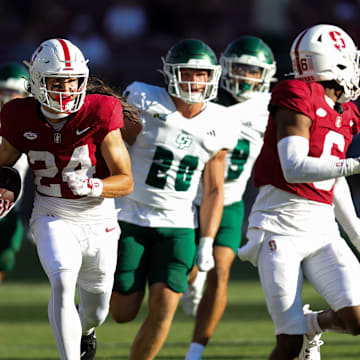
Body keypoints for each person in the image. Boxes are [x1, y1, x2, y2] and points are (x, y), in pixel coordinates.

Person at [0, 38, 136, 360]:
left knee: (96, 310)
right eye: (56, 82)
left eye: (73, 81)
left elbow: (126, 180)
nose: (66, 89)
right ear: (36, 82)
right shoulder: (19, 114)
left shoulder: (100, 110)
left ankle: (86, 332)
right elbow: (3, 163)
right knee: (62, 278)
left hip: (98, 217)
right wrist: (4, 185)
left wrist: (96, 187)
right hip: (52, 211)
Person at [238, 24, 360, 360]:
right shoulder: (296, 95)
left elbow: (332, 178)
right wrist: (354, 165)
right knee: (288, 343)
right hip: (278, 228)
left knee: (358, 319)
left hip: (322, 229)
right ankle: (298, 331)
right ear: (336, 63)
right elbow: (293, 166)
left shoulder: (346, 112)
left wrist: (356, 232)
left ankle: (312, 325)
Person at [109, 38, 236, 360]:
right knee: (122, 312)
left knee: (165, 306)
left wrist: (207, 241)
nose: (195, 81)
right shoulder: (143, 98)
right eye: (189, 73)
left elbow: (213, 190)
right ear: (171, 73)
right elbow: (112, 147)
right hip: (130, 214)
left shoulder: (221, 120)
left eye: (202, 74)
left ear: (212, 77)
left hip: (179, 222)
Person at [184, 36, 277, 359]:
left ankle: (195, 351)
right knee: (187, 270)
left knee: (222, 270)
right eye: (238, 67)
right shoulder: (204, 100)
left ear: (265, 74)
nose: (244, 76)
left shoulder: (272, 109)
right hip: (186, 199)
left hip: (230, 200)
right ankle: (191, 281)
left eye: (252, 70)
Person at [0, 62, 30, 283]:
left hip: (10, 209)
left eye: (14, 93)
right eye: (4, 92)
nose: (8, 98)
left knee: (4, 258)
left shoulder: (32, 124)